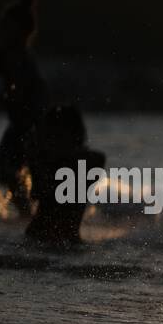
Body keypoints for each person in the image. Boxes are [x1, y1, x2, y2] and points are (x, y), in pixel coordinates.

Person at [0, 0, 47, 215]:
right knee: (5, 172)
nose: (3, 30)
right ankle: (26, 214)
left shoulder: (24, 59)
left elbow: (27, 95)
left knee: (16, 174)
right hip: (17, 124)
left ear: (22, 31)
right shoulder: (3, 54)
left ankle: (29, 215)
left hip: (31, 125)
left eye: (7, 26)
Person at [24, 105, 105, 247]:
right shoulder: (45, 161)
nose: (47, 139)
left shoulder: (86, 162)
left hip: (62, 242)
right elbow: (37, 193)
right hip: (40, 240)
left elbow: (96, 158)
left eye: (53, 135)